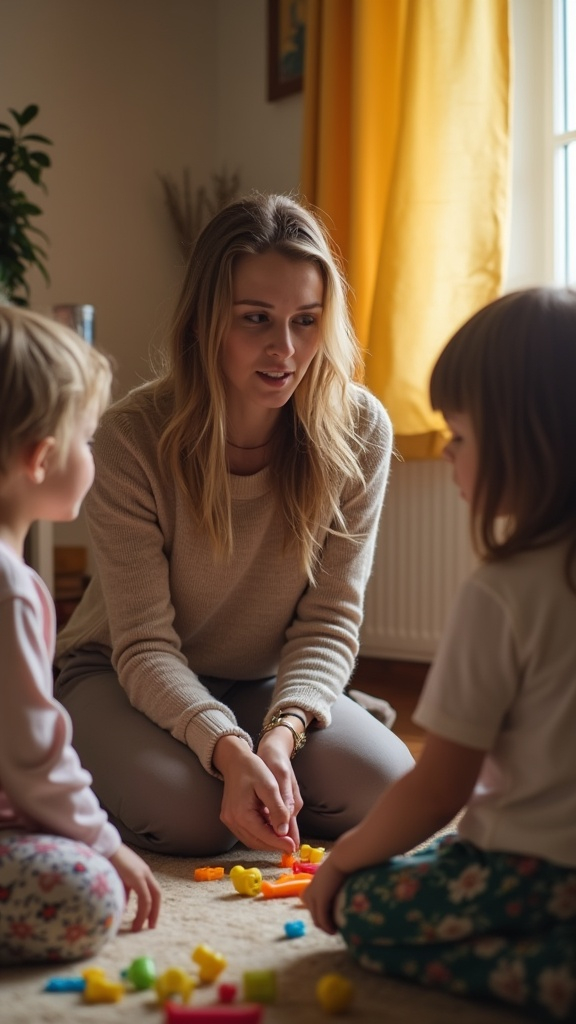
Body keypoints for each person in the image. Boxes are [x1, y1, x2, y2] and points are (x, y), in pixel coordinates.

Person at [54, 192, 414, 858]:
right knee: (196, 823)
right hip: (119, 672)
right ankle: (72, 747)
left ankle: (297, 730)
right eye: (256, 319)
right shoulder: (131, 439)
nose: (285, 349)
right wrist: (226, 749)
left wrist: (279, 738)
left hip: (259, 680)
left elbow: (330, 619)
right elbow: (142, 646)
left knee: (392, 788)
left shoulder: (359, 429)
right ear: (203, 322)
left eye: (307, 321)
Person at [303, 287, 576, 1022]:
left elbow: (438, 790)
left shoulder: (503, 593)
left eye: (459, 434)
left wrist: (344, 857)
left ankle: (547, 970)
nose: (451, 453)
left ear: (527, 438)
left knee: (364, 904)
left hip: (529, 869)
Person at [0, 307, 161, 966]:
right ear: (41, 456)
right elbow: (32, 753)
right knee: (86, 889)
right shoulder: (9, 587)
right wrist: (103, 842)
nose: (92, 455)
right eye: (88, 439)